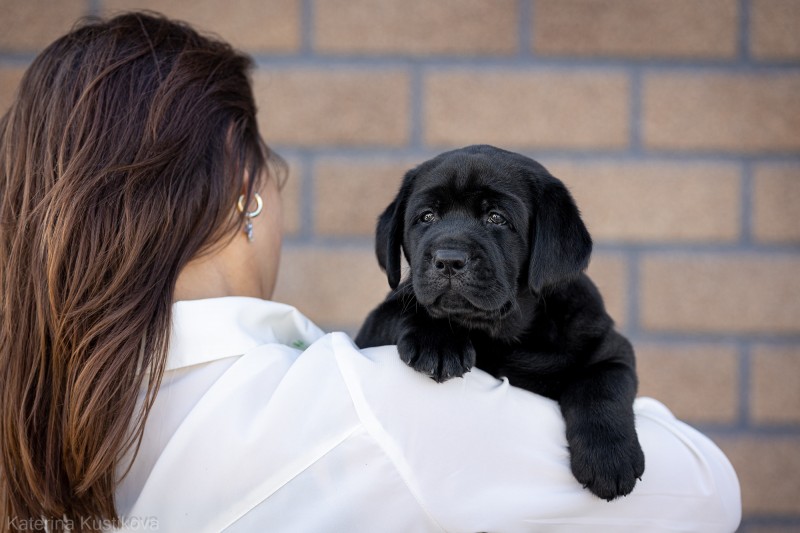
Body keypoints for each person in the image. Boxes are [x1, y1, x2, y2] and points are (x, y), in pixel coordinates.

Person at [0, 12, 740, 533]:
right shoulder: (388, 412)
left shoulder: (53, 417)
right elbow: (706, 492)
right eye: (278, 176)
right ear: (244, 195)